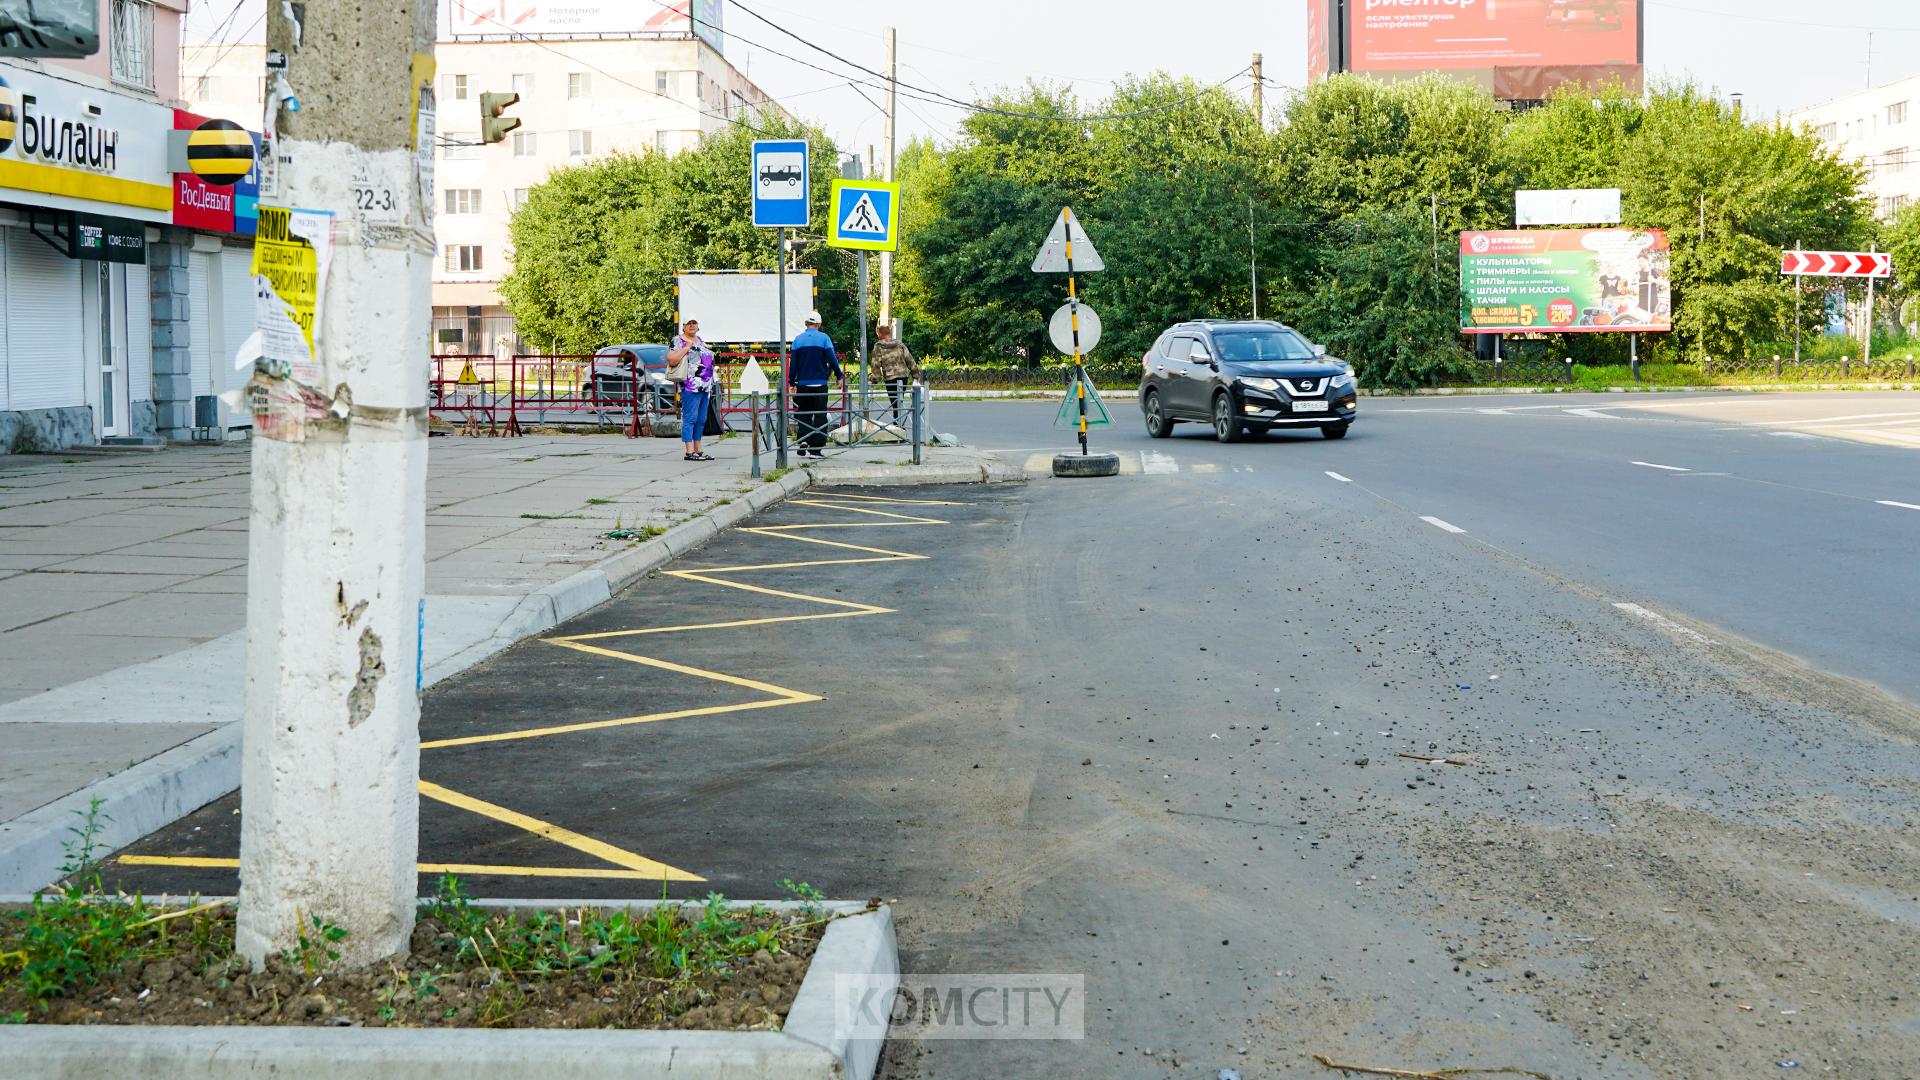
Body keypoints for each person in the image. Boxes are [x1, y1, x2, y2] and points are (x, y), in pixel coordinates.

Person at [788, 310, 843, 458]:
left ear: (806, 323)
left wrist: (791, 382)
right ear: (819, 324)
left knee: (804, 413)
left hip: (803, 384)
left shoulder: (797, 340)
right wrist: (839, 376)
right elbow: (832, 359)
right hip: (820, 384)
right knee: (820, 415)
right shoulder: (824, 338)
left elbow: (793, 364)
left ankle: (804, 440)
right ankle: (815, 449)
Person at [669, 318, 716, 462]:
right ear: (683, 326)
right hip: (690, 385)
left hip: (705, 386)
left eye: (694, 323)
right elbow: (671, 359)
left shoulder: (699, 340)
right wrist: (686, 347)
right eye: (688, 323)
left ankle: (698, 449)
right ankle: (689, 451)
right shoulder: (678, 340)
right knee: (690, 418)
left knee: (701, 419)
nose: (691, 326)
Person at [870, 322, 920, 426]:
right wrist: (916, 375)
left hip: (890, 378)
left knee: (895, 403)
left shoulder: (878, 346)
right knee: (899, 402)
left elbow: (875, 364)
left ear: (880, 334)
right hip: (903, 376)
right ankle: (898, 425)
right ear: (889, 333)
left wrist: (874, 379)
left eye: (878, 334)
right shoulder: (900, 344)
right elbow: (909, 359)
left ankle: (898, 427)